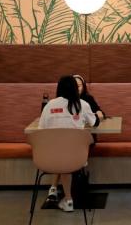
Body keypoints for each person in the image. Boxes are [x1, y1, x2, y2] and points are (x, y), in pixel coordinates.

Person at [40, 75, 98, 213]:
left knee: (61, 154)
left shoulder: (49, 105)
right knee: (66, 159)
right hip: (77, 157)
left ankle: (59, 193)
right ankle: (68, 199)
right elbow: (95, 123)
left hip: (50, 157)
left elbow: (42, 129)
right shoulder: (82, 104)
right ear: (74, 88)